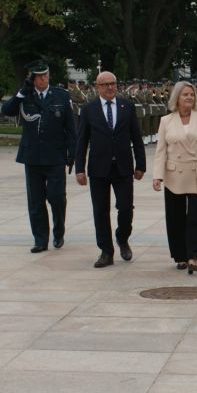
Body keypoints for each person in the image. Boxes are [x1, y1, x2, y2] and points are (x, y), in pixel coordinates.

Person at [1, 60, 77, 253]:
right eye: (40, 76)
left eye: (46, 75)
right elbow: (7, 110)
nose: (44, 78)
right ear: (32, 78)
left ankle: (58, 232)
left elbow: (71, 128)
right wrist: (21, 92)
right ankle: (40, 239)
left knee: (57, 197)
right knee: (36, 201)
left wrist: (72, 153)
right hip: (33, 156)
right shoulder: (24, 96)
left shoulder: (61, 95)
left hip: (55, 155)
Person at [74, 71, 146, 268]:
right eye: (105, 84)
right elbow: (81, 141)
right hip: (98, 168)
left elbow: (136, 138)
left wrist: (141, 164)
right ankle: (106, 250)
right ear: (98, 87)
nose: (110, 87)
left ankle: (122, 238)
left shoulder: (127, 107)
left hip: (123, 167)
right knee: (100, 211)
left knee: (125, 207)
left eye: (112, 83)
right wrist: (79, 168)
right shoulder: (89, 109)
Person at [152, 81, 197, 273]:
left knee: (196, 215)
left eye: (192, 94)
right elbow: (160, 151)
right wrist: (157, 176)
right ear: (177, 98)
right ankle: (180, 256)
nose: (190, 97)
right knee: (175, 217)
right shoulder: (166, 121)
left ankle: (193, 255)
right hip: (174, 174)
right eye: (185, 95)